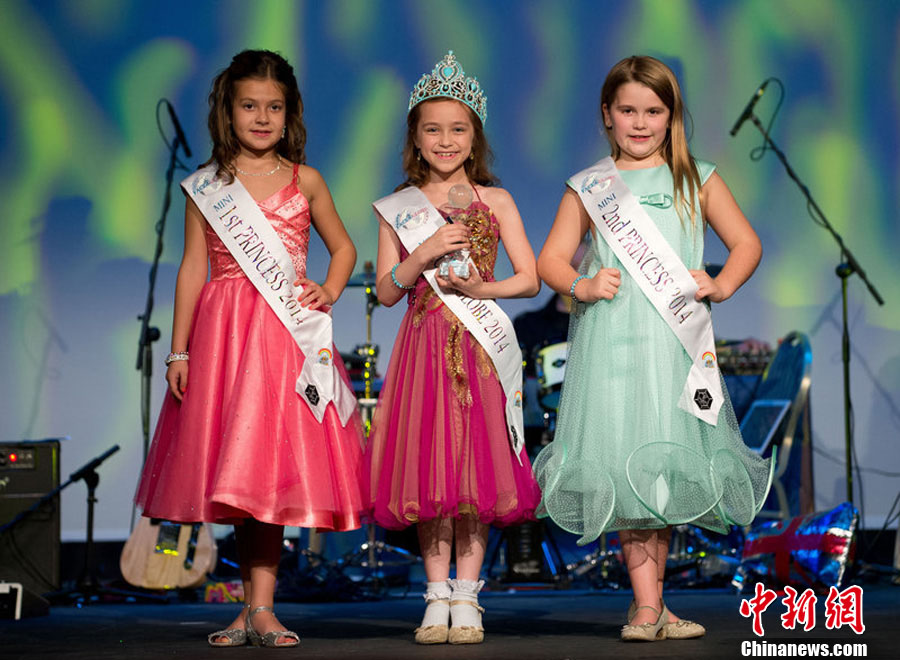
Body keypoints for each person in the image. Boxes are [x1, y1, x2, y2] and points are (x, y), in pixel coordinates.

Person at [533, 55, 773, 642]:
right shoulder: (589, 186)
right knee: (626, 468)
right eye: (628, 111)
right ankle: (647, 608)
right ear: (607, 115)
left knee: (660, 472)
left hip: (675, 347)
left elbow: (746, 243)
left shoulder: (698, 178)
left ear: (671, 116)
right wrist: (582, 285)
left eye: (654, 111)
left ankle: (653, 606)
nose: (640, 123)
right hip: (613, 345)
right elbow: (549, 261)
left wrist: (721, 283)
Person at [134, 49, 364, 648]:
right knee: (235, 472)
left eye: (274, 107)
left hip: (286, 336)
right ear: (227, 111)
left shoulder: (305, 179)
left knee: (271, 470)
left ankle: (262, 607)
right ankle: (250, 608)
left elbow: (342, 248)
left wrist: (329, 290)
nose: (261, 117)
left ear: (289, 115)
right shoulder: (206, 187)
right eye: (249, 106)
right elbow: (191, 270)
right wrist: (178, 352)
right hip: (224, 336)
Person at [364, 51, 541, 645]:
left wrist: (479, 287)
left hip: (481, 347)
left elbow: (530, 279)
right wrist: (423, 252)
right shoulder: (398, 207)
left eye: (458, 128)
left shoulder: (499, 202)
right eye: (433, 129)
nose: (446, 140)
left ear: (475, 135)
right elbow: (387, 292)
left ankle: (469, 598)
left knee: (475, 473)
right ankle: (434, 595)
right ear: (415, 136)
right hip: (423, 346)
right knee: (431, 475)